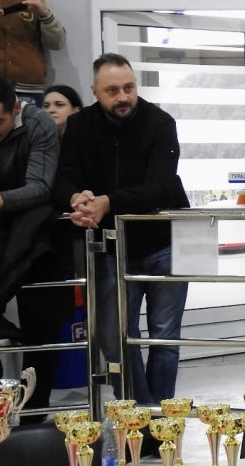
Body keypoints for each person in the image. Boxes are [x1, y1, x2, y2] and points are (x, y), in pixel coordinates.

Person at [53, 53, 190, 405]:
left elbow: (159, 186)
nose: (123, 97)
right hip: (109, 247)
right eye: (112, 90)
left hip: (164, 242)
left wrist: (107, 202)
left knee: (165, 337)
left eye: (129, 87)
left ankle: (162, 419)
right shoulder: (79, 126)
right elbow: (64, 179)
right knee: (115, 339)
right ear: (94, 91)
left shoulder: (160, 122)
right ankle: (138, 414)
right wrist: (77, 199)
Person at [0, 75, 61, 391]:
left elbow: (41, 186)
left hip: (33, 236)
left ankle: (34, 410)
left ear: (15, 107)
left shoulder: (39, 123)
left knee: (40, 326)